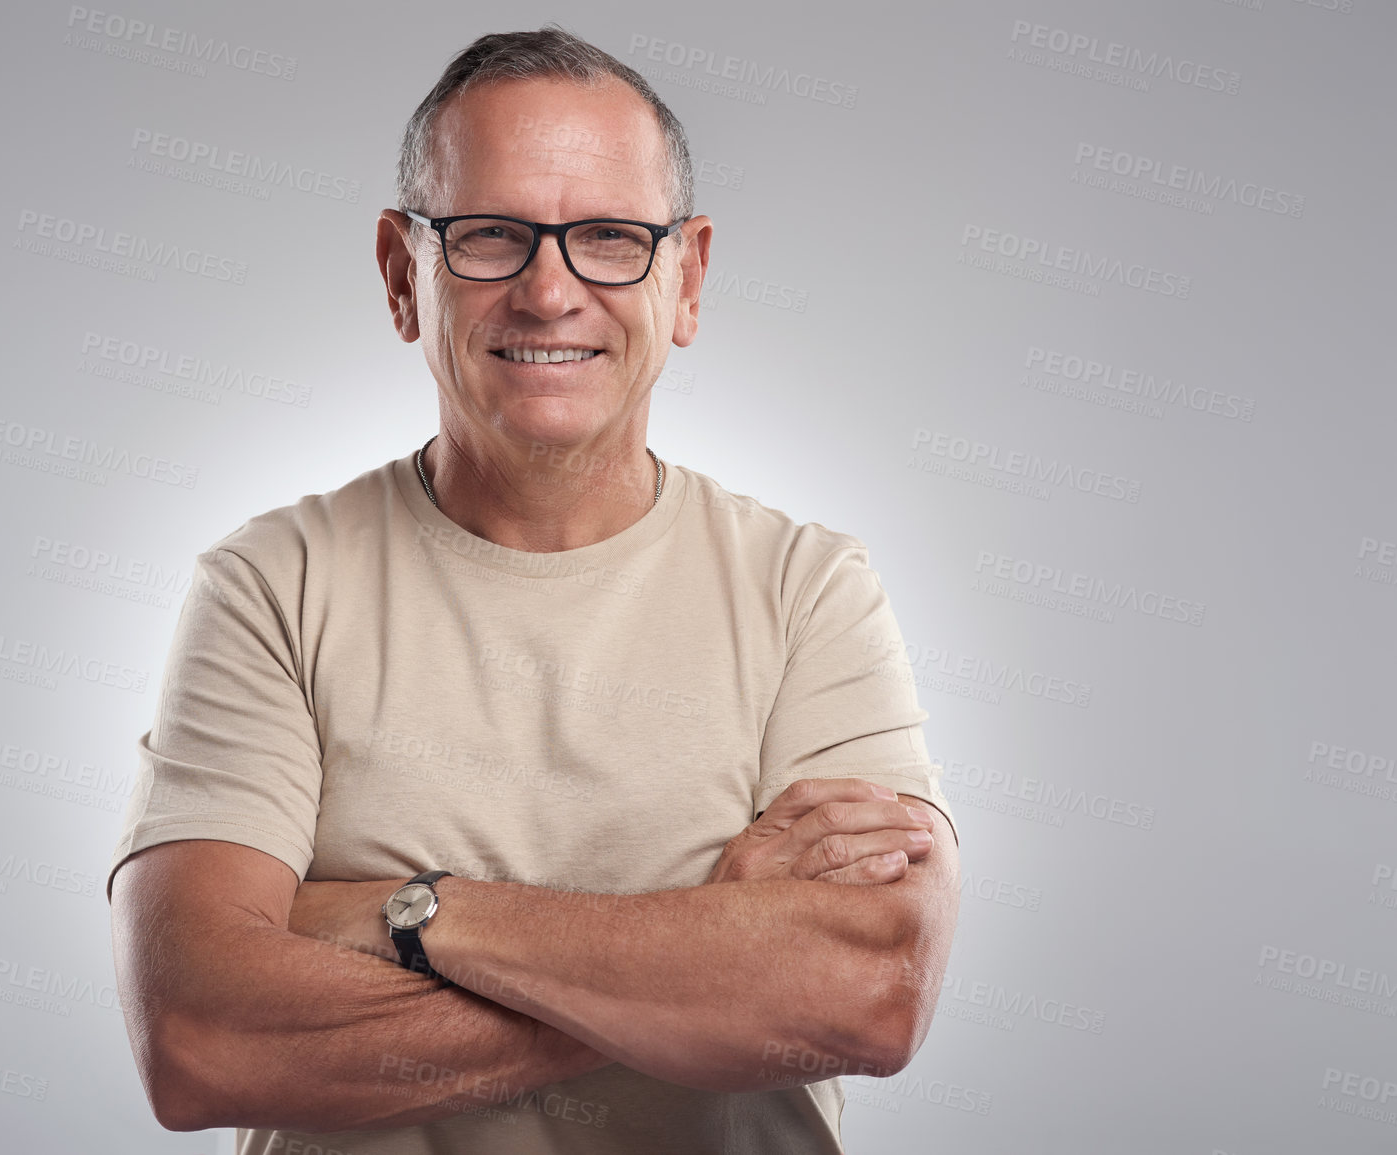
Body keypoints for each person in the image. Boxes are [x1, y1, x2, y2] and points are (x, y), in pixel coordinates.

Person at [107, 26, 959, 1155]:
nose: (550, 290)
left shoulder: (809, 590)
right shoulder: (273, 587)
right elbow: (201, 1042)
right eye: (491, 236)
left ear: (687, 277)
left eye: (609, 236)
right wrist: (704, 965)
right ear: (402, 273)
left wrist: (407, 912)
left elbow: (867, 996)